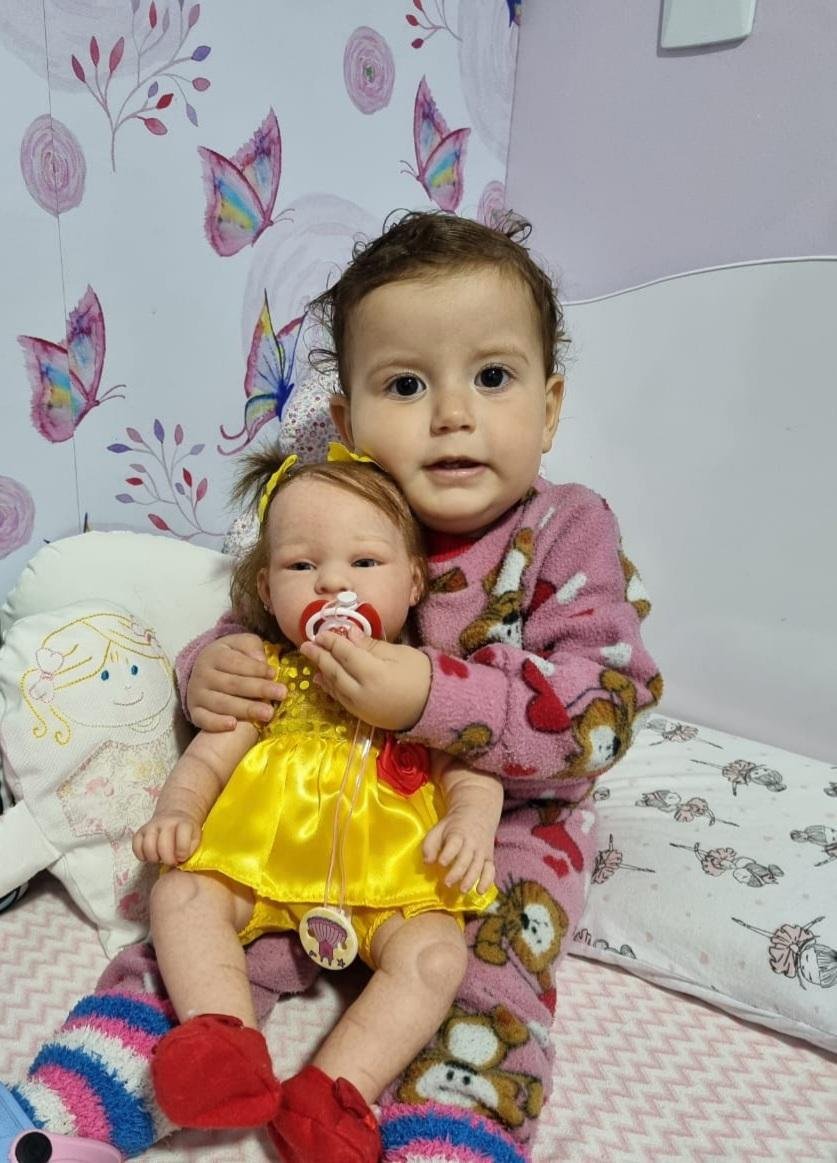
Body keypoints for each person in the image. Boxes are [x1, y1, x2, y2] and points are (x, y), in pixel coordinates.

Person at [7, 211, 662, 1162]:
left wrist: (430, 696)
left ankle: (447, 1131)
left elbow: (601, 706)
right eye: (406, 384)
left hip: (497, 823)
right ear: (349, 422)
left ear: (549, 406)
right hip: (314, 812)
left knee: (486, 964)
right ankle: (101, 1090)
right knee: (202, 921)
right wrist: (209, 671)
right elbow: (255, 623)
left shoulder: (564, 528)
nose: (452, 413)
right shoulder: (335, 509)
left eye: (492, 376)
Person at [133, 451, 502, 1160]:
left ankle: (335, 1090)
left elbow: (468, 762)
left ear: (414, 580)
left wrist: (470, 821)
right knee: (179, 893)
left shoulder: (425, 681)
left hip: (393, 876)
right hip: (258, 860)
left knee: (435, 956)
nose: (332, 581)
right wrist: (177, 812)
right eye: (302, 565)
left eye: (364, 562)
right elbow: (206, 758)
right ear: (266, 588)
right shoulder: (265, 672)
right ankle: (224, 1042)